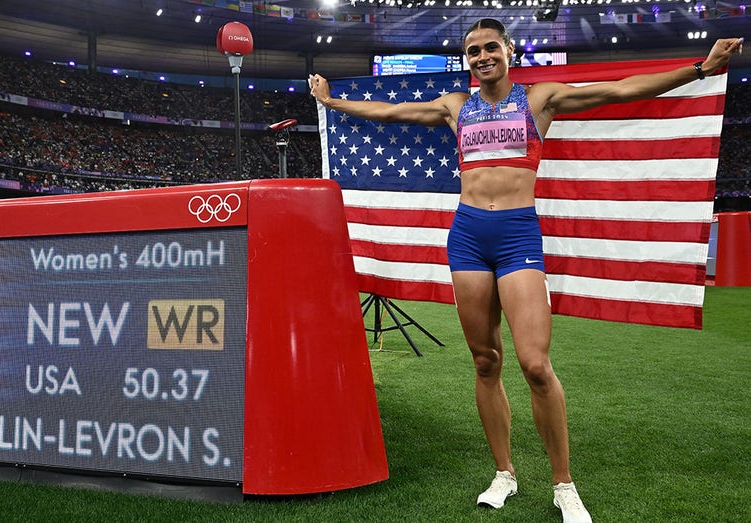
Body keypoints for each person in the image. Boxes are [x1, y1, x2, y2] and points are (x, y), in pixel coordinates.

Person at [309, 18, 742, 523]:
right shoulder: (455, 106)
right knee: (485, 361)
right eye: (473, 50)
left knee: (535, 365)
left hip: (517, 237)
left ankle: (564, 483)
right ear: (467, 59)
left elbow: (621, 90)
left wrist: (699, 69)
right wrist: (332, 101)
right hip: (468, 236)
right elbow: (388, 111)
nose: (482, 56)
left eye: (491, 47)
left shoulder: (540, 99)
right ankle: (504, 472)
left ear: (509, 51)